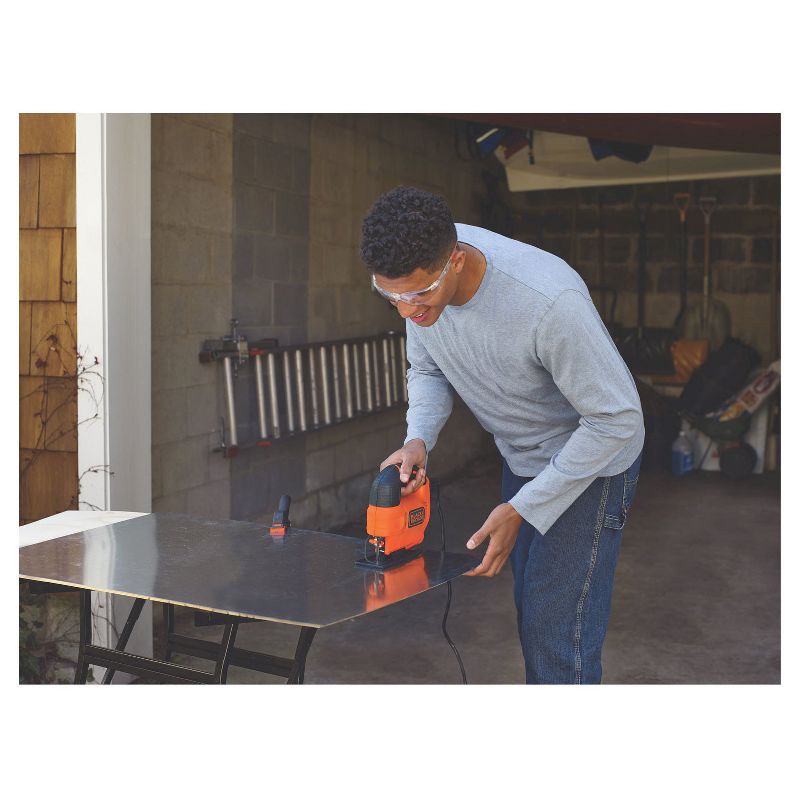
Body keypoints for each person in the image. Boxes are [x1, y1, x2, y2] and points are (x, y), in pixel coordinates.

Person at [360, 185, 645, 685]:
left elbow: (616, 420)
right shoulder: (416, 278)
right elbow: (427, 368)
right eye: (392, 296)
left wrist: (524, 507)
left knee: (558, 634)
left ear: (454, 259)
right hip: (522, 458)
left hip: (592, 462)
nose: (407, 311)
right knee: (532, 613)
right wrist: (418, 438)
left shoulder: (548, 302)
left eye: (419, 294)